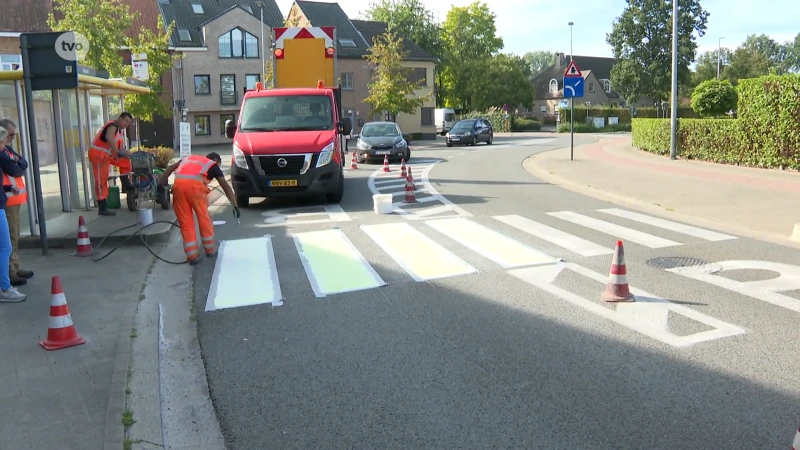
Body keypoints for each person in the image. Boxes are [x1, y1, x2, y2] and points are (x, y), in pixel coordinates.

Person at [159, 152, 239, 265]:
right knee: (203, 218)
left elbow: (169, 168)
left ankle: (192, 256)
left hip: (178, 188)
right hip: (195, 190)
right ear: (216, 161)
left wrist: (160, 185)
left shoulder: (189, 159)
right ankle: (210, 250)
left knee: (185, 222)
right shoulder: (213, 165)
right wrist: (235, 206)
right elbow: (226, 188)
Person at [0, 119, 33, 287]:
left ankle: (15, 267)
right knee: (10, 237)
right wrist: (17, 165)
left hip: (15, 199)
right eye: (11, 135)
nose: (13, 138)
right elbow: (14, 169)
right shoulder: (1, 152)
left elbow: (23, 163)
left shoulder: (7, 149)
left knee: (15, 234)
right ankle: (10, 272)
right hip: (8, 200)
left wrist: (17, 164)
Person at [88, 112, 135, 216]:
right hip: (98, 155)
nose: (127, 124)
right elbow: (109, 137)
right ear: (120, 118)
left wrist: (132, 155)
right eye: (126, 121)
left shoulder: (120, 133)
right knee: (101, 181)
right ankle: (102, 207)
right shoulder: (113, 125)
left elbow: (121, 149)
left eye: (129, 123)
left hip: (107, 156)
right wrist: (117, 152)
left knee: (125, 162)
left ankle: (126, 184)